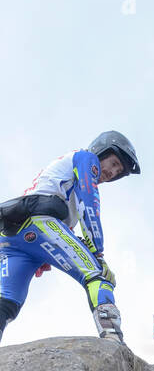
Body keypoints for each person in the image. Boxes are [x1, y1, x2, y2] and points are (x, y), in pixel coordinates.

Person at [0, 130, 141, 345]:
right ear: (101, 151)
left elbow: (66, 227)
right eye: (112, 163)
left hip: (13, 235)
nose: (112, 172)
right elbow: (89, 207)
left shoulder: (66, 179)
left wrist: (43, 253)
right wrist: (98, 254)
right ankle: (113, 339)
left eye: (117, 170)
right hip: (40, 222)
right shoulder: (86, 158)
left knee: (7, 301)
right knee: (97, 274)